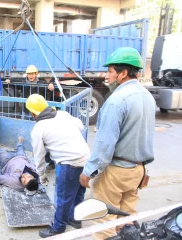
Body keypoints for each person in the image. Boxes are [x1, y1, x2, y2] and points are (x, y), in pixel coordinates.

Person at [79, 47, 156, 240]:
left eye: (110, 71)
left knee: (105, 221)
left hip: (115, 173)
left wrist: (88, 171)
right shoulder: (147, 96)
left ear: (123, 73)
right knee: (127, 220)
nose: (107, 76)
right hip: (138, 170)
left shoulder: (116, 101)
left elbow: (104, 147)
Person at [25, 94, 90, 238]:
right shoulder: (62, 114)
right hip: (86, 158)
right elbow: (80, 125)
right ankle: (75, 219)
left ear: (33, 113)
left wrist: (41, 175)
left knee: (63, 197)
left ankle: (58, 227)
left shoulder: (38, 128)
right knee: (79, 191)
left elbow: (39, 156)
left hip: (69, 162)